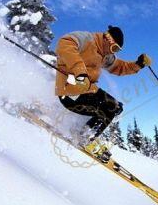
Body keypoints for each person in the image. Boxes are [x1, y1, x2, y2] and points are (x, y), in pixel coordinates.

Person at [55, 25, 151, 161]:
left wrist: (138, 64)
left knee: (115, 106)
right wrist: (79, 72)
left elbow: (119, 67)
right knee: (109, 107)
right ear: (107, 39)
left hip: (87, 90)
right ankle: (84, 137)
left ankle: (84, 133)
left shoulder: (105, 56)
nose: (114, 52)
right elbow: (65, 43)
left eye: (117, 50)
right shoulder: (87, 39)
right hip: (70, 89)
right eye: (114, 48)